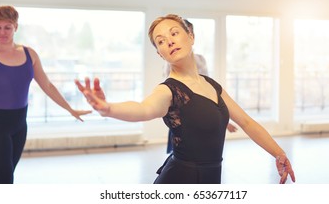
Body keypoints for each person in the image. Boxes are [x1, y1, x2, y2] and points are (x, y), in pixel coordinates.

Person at [75, 14, 295, 184]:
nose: (169, 42)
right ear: (160, 54)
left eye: (174, 33)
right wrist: (108, 109)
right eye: (160, 41)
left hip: (210, 178)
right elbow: (144, 109)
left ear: (191, 36)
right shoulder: (168, 91)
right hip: (180, 179)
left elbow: (247, 123)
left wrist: (279, 153)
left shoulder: (212, 85)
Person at [0, 5, 91, 184]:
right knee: (4, 178)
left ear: (16, 27)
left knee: (5, 178)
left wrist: (70, 109)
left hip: (19, 124)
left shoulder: (30, 54)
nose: (2, 32)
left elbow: (47, 85)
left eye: (7, 27)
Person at [163, 19, 238, 153]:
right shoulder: (170, 65)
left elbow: (207, 90)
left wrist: (224, 121)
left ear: (191, 36)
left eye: (189, 32)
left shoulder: (201, 60)